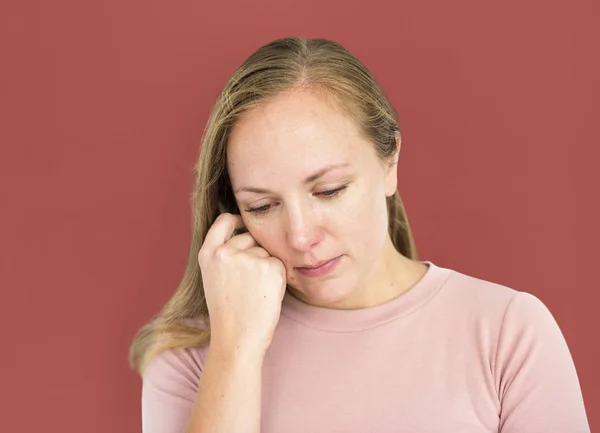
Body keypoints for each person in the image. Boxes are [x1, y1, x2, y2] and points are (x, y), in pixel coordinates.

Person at [129, 37, 590, 433]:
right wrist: (236, 349)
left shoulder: (507, 332)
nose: (302, 236)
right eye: (263, 206)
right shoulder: (192, 357)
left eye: (329, 190)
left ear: (390, 163)